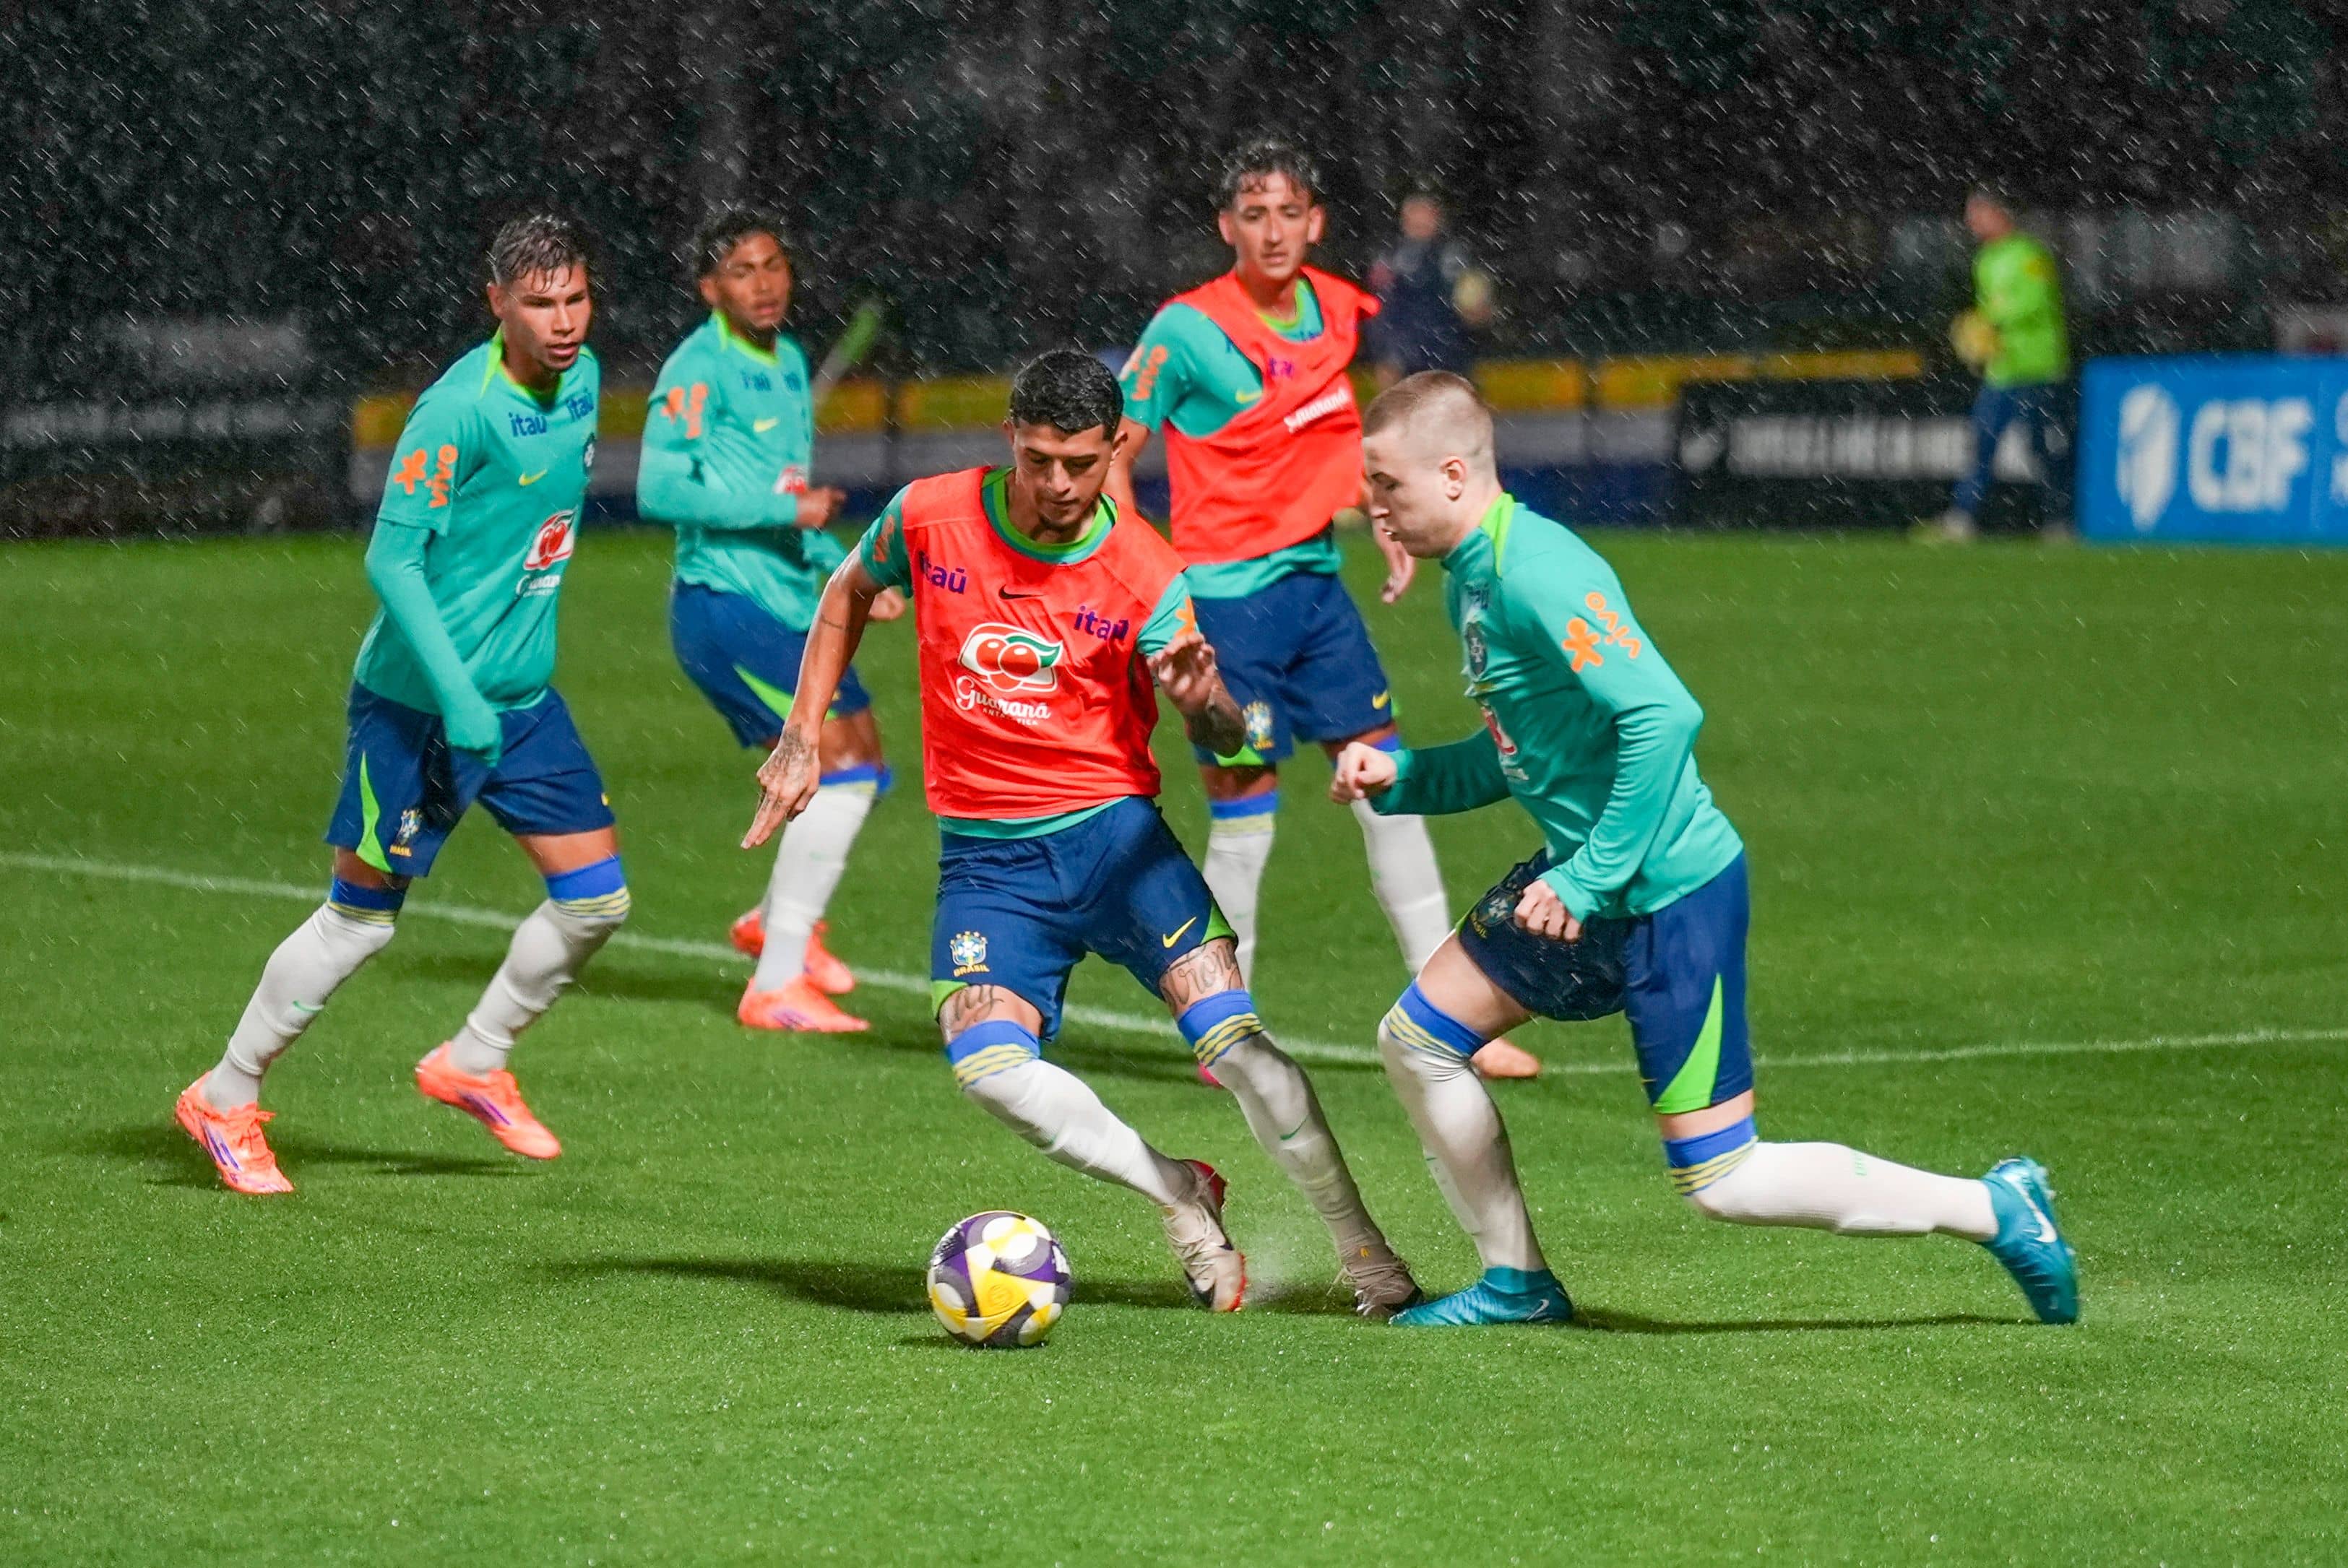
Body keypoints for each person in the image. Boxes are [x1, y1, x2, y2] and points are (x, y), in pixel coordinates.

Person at [1334, 372, 2080, 1328]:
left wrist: (1592, 872)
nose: (1372, 503)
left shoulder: (1536, 570)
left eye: (1384, 482)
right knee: (1417, 1038)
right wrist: (1403, 780)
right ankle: (1516, 1281)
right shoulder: (1471, 582)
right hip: (1582, 879)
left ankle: (1994, 1207)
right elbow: (1522, 754)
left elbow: (1662, 712)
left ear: (1448, 475)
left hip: (1666, 894)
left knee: (1724, 1177)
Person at [746, 350, 1420, 1316]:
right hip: (987, 861)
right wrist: (803, 730)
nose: (1059, 485)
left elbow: (1226, 733)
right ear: (1010, 441)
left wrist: (1209, 703)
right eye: (1040, 459)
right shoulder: (929, 514)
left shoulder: (1145, 571)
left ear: (1116, 449)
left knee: (1238, 1047)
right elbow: (848, 591)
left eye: (1082, 463)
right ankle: (1178, 1191)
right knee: (987, 1068)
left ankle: (1364, 1251)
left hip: (1117, 844)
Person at [176, 215, 625, 1193]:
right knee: (361, 919)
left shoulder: (584, 384)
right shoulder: (457, 408)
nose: (563, 322)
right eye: (540, 303)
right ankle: (226, 1090)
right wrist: (457, 694)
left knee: (597, 899)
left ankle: (472, 1058)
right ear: (496, 302)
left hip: (521, 703)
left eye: (576, 299)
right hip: (419, 708)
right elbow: (391, 556)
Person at [1105, 138, 1540, 1081]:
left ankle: (1453, 1013)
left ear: (1316, 221)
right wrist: (1140, 579)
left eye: (1287, 212)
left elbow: (1336, 433)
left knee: (1387, 788)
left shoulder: (1338, 309)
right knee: (1244, 818)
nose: (1272, 230)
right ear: (1227, 227)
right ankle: (1222, 1027)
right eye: (1252, 214)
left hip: (1314, 598)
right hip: (1226, 609)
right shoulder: (1183, 330)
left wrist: (1378, 509)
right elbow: (1113, 457)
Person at [639, 207, 901, 1034]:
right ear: (709, 287)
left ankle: (777, 923)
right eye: (743, 271)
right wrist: (780, 506)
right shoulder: (696, 367)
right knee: (839, 765)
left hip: (790, 601)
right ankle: (776, 979)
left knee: (861, 762)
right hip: (726, 607)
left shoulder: (788, 359)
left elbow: (790, 502)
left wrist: (850, 574)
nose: (764, 283)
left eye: (774, 265)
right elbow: (658, 489)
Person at [1924, 186, 2072, 542]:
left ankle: (2060, 523)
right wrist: (1981, 335)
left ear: (2000, 214)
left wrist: (1987, 320)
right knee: (1982, 443)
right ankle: (1962, 519)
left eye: (1979, 213)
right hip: (2003, 370)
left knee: (2043, 448)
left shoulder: (2030, 255)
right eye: (1970, 216)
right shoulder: (1985, 260)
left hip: (2037, 367)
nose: (1972, 222)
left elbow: (2035, 303)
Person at [1366, 192, 1494, 387]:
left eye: (1426, 214)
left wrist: (1478, 314)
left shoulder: (1454, 255)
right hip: (1407, 359)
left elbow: (1476, 310)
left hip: (1450, 357)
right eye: (1415, 214)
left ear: (1437, 218)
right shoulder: (1390, 258)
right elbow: (1379, 311)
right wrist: (1386, 354)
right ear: (1404, 219)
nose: (1421, 221)